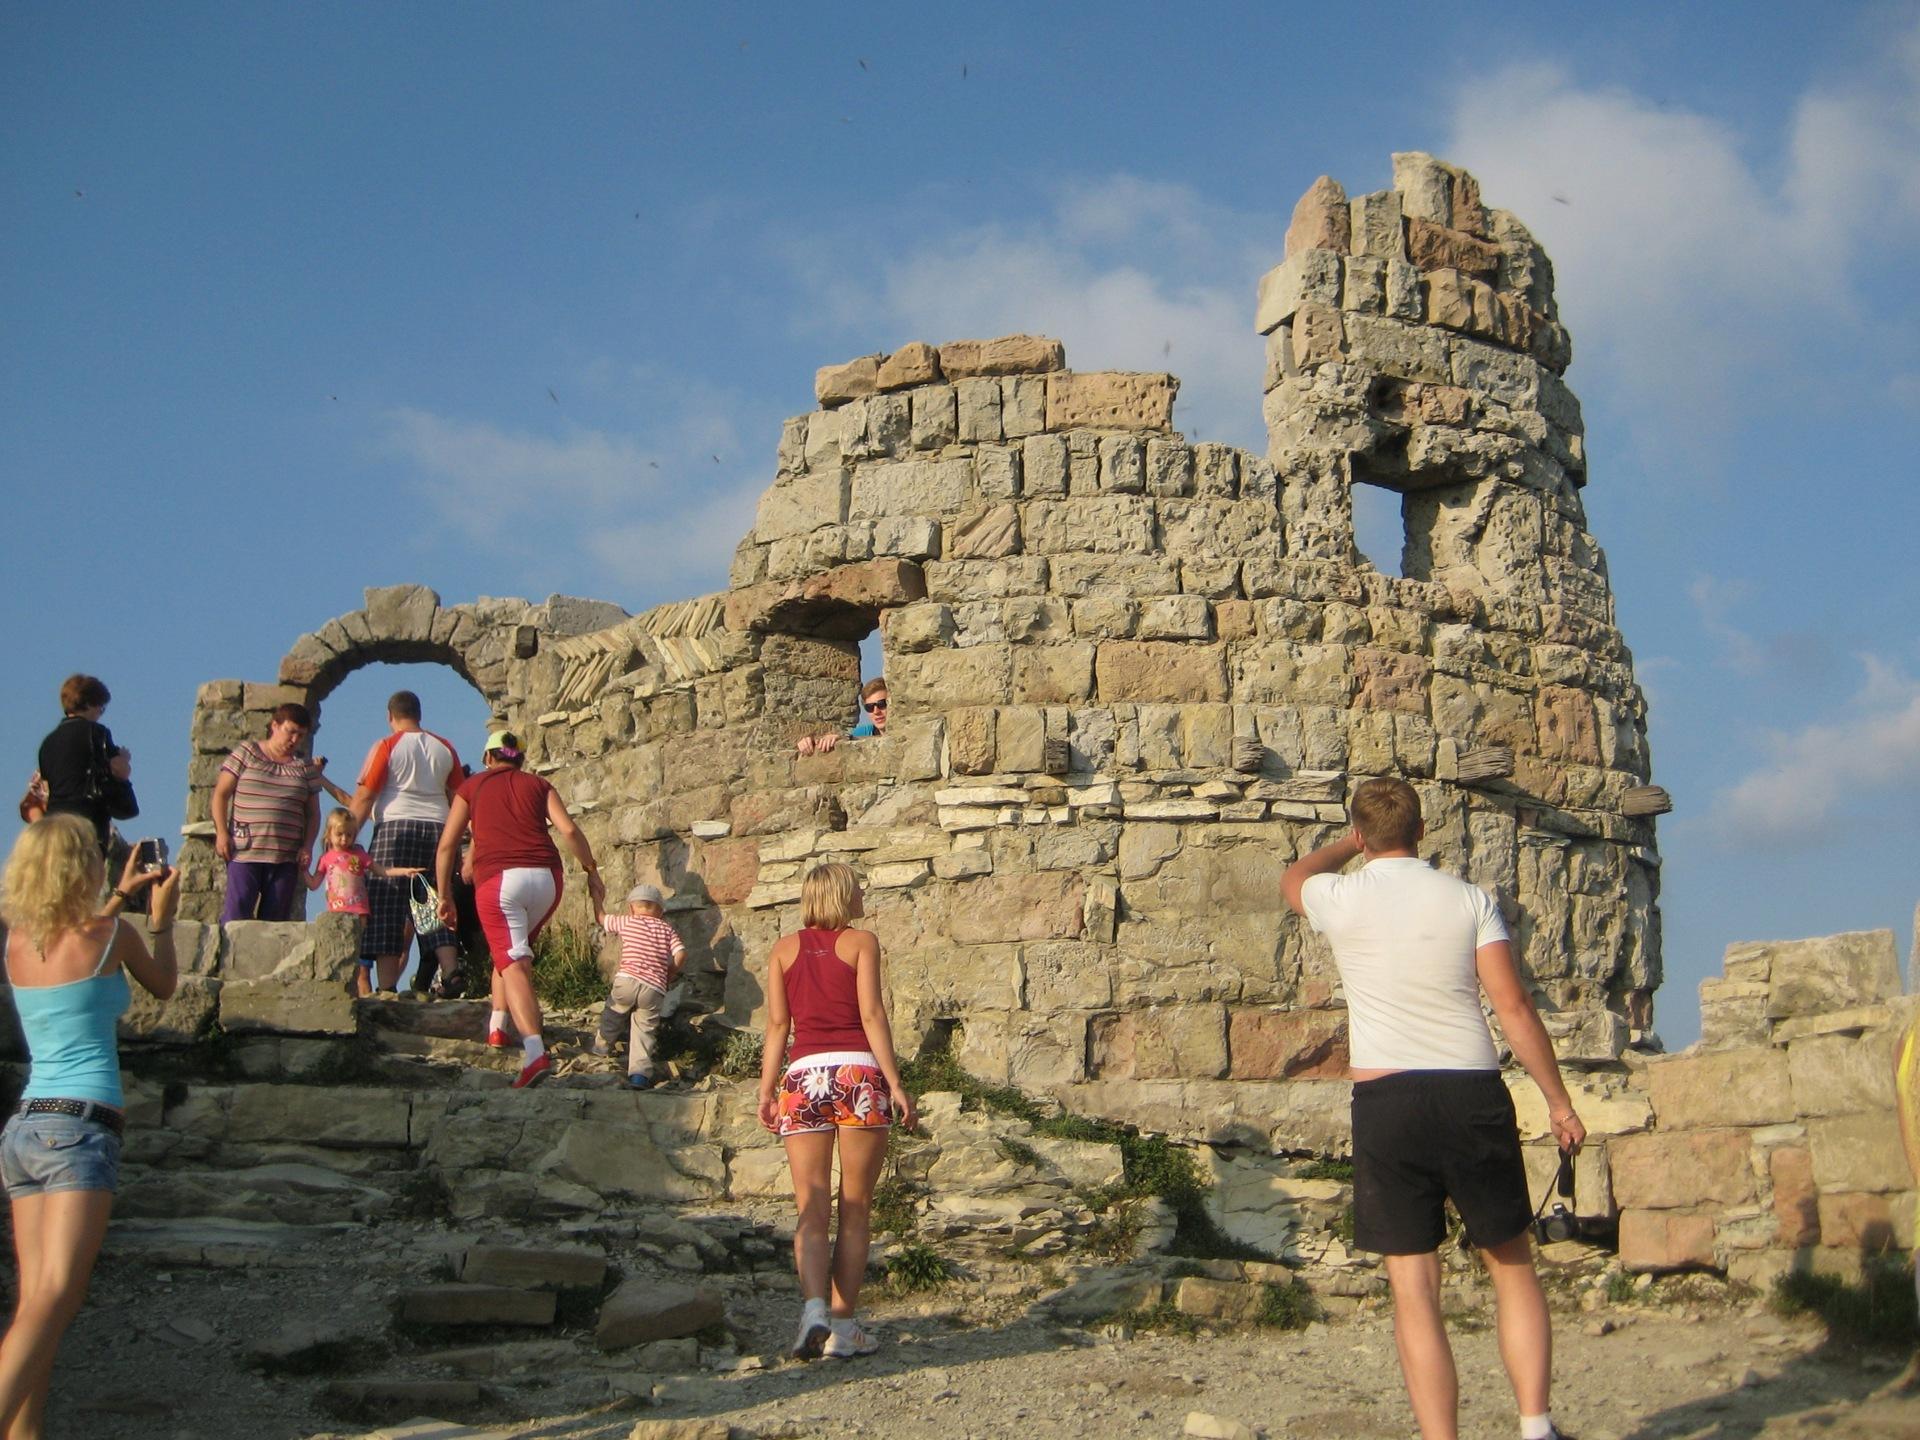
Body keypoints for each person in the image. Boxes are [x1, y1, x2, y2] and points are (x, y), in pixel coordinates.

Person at [1281, 778, 1585, 1440]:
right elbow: (1512, 1006)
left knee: (1414, 1289)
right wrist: (1559, 1102)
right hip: (1470, 1091)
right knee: (1511, 1264)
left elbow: (1294, 877)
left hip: (1387, 1100)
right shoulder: (1469, 899)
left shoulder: (1339, 896)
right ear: (1422, 830)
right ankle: (1536, 1427)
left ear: (1362, 835)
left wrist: (1351, 845)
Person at [0, 815, 179, 1435]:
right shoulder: (115, 935)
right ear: (83, 866)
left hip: (25, 1129)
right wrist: (162, 921)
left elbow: (81, 939)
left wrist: (124, 894)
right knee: (56, 1298)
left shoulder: (19, 941)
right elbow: (164, 985)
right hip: (81, 1129)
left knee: (36, 1306)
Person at [756, 862, 914, 1361]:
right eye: (857, 889)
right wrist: (895, 1083)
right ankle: (843, 1327)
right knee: (856, 1206)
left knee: (811, 1205)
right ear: (844, 896)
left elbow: (778, 1026)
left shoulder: (782, 950)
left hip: (803, 1079)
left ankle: (813, 1311)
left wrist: (766, 1091)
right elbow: (871, 1013)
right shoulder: (862, 942)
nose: (862, 895)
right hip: (857, 1075)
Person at [435, 730, 604, 1089]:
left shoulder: (471, 787)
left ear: (487, 757)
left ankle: (534, 1053)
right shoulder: (539, 785)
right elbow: (568, 830)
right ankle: (498, 1026)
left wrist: (444, 895)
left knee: (513, 963)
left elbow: (447, 845)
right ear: (521, 758)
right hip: (547, 879)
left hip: (499, 881)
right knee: (510, 951)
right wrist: (591, 871)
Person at [349, 691, 465, 997]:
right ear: (419, 714)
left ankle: (387, 987)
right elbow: (459, 796)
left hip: (395, 828)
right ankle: (451, 970)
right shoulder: (445, 747)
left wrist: (346, 838)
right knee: (434, 900)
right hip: (438, 829)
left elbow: (365, 796)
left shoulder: (387, 746)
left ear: (390, 716)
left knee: (387, 903)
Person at [212, 702, 322, 923]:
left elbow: (313, 814)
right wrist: (222, 833)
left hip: (285, 858)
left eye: (300, 735)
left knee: (275, 923)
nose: (294, 740)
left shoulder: (305, 769)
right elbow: (220, 795)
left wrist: (308, 846)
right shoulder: (246, 753)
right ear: (275, 725)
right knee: (237, 915)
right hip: (245, 852)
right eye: (290, 732)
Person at [306, 810, 421, 997]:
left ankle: (356, 991)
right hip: (337, 912)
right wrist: (303, 870)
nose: (344, 839)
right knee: (339, 950)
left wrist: (404, 871)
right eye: (340, 834)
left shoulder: (358, 855)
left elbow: (381, 871)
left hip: (359, 911)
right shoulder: (326, 859)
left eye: (349, 835)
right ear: (329, 834)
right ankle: (340, 988)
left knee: (357, 951)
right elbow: (313, 884)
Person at [593, 883, 687, 1090]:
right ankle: (639, 1076)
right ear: (660, 911)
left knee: (613, 1013)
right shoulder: (666, 929)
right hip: (654, 988)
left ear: (631, 908)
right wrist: (669, 973)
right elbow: (681, 954)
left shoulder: (628, 921)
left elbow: (601, 918)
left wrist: (596, 896)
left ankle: (601, 1049)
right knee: (644, 1030)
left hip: (626, 980)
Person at [36, 675, 138, 854]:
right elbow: (118, 769)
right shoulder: (96, 734)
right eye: (101, 707)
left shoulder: (48, 743)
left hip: (55, 826)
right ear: (89, 704)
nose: (100, 713)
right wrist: (123, 759)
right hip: (88, 823)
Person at [796, 677, 887, 756]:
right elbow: (845, 737)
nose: (876, 712)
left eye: (882, 704)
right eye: (869, 707)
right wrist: (808, 743)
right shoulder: (864, 732)